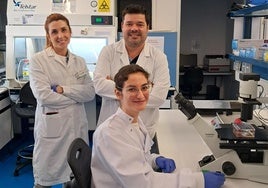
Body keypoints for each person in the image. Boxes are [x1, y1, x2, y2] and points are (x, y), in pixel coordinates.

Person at [91, 64, 225, 188]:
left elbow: (136, 158)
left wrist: (155, 160)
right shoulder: (111, 133)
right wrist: (197, 181)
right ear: (118, 93)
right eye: (132, 89)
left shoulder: (134, 121)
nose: (140, 95)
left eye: (144, 87)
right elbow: (141, 184)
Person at [29, 13, 95, 188]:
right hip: (52, 130)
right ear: (49, 36)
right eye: (54, 32)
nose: (60, 36)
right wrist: (76, 97)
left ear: (70, 32)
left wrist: (63, 90)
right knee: (44, 179)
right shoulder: (38, 60)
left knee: (74, 177)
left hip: (76, 126)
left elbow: (89, 93)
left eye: (64, 30)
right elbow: (44, 96)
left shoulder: (79, 61)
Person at [93, 4, 170, 140]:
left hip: (142, 130)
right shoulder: (108, 52)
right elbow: (99, 85)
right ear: (122, 26)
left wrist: (116, 86)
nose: (134, 28)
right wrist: (145, 89)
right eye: (129, 24)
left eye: (140, 24)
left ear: (147, 27)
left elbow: (159, 97)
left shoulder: (158, 57)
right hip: (111, 130)